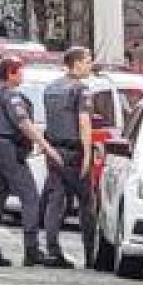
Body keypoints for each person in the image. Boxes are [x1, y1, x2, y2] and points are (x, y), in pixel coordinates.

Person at [0, 56, 59, 266]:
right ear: (10, 74)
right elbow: (24, 123)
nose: (22, 75)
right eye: (19, 72)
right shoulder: (11, 96)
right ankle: (31, 250)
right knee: (30, 197)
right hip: (9, 148)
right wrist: (46, 146)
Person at [39, 46, 97, 269]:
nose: (90, 65)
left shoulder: (51, 88)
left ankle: (52, 249)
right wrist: (88, 153)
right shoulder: (81, 90)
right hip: (74, 152)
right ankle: (90, 254)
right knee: (86, 203)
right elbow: (84, 123)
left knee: (56, 200)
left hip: (54, 150)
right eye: (88, 60)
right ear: (77, 63)